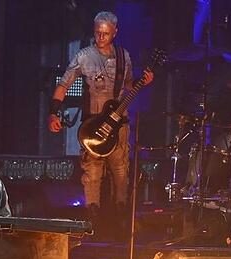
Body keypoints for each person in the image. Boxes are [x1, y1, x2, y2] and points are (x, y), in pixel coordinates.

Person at [48, 11, 153, 234]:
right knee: (92, 173)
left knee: (121, 171)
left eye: (105, 33)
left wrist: (143, 82)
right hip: (93, 124)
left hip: (118, 125)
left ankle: (120, 220)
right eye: (97, 33)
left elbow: (128, 86)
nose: (101, 37)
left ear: (115, 32)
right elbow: (64, 84)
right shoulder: (84, 56)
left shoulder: (124, 56)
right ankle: (91, 220)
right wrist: (54, 112)